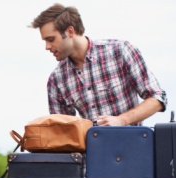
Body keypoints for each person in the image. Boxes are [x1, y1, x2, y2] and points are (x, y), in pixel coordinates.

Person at [32, 4, 167, 126]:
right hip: (91, 152)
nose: (47, 47)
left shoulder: (120, 51)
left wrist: (122, 120)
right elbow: (62, 131)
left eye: (51, 39)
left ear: (70, 31)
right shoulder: (56, 80)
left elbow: (157, 98)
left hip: (132, 148)